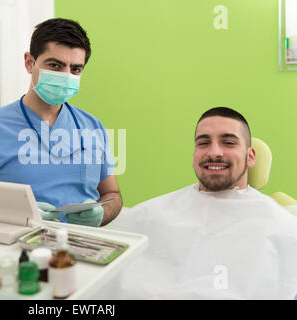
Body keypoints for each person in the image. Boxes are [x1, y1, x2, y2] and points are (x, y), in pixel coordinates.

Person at [95, 107, 297, 299]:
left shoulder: (283, 227)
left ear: (250, 156)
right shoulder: (148, 215)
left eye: (228, 142)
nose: (214, 152)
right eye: (203, 143)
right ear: (194, 156)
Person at [0, 18, 122, 227]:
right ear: (30, 62)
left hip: (84, 248)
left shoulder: (93, 128)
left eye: (75, 69)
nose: (65, 76)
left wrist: (102, 212)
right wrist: (16, 218)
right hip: (18, 251)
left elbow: (112, 194)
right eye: (55, 65)